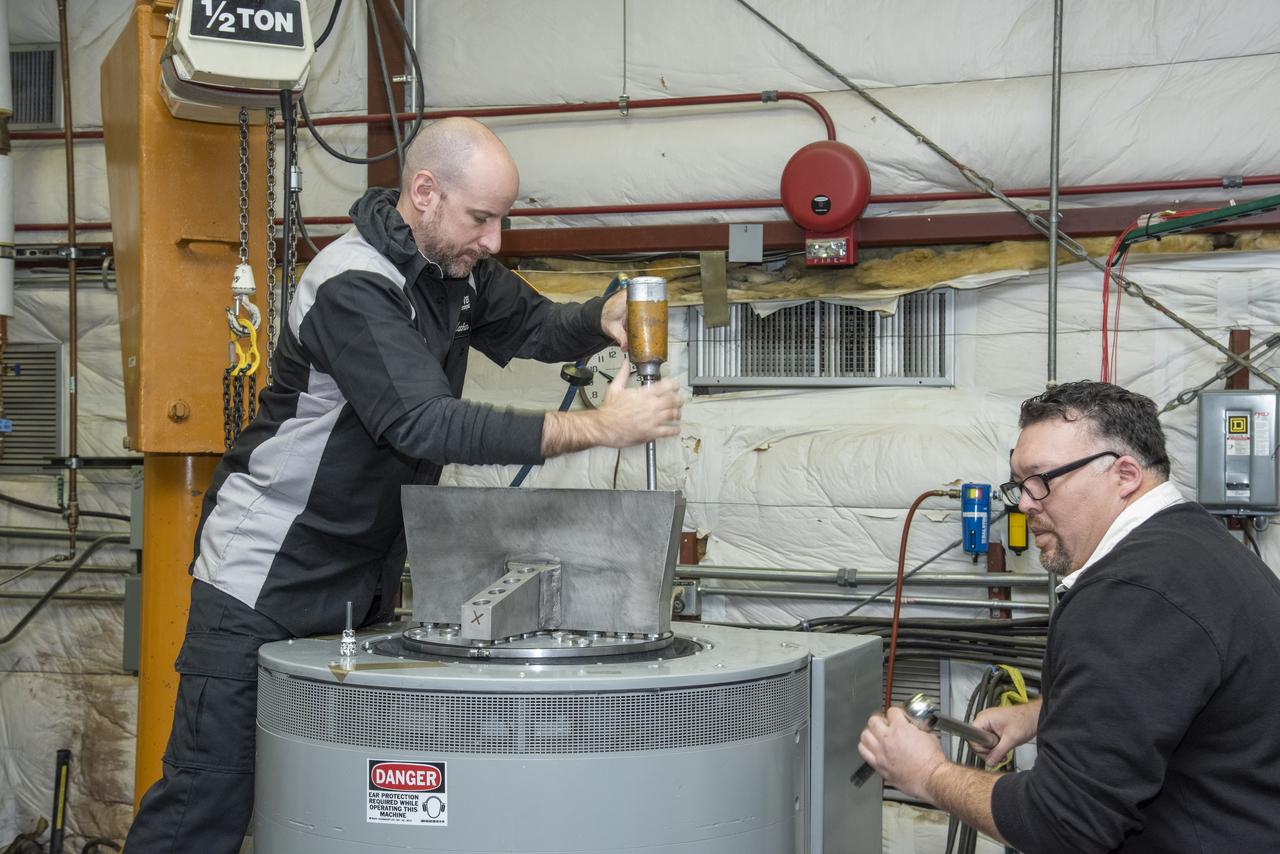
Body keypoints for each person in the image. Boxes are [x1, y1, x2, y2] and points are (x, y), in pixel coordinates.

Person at [124, 117, 681, 853]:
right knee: (207, 805)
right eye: (482, 219)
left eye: (501, 220)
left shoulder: (456, 273)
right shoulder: (352, 286)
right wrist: (597, 429)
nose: (494, 242)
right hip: (264, 583)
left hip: (363, 585)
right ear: (425, 193)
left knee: (335, 798)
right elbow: (423, 423)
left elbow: (537, 327)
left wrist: (600, 315)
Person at [858, 381, 1280, 852]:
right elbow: (1171, 693)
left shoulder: (1129, 594)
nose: (1024, 503)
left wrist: (927, 774)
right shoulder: (1194, 546)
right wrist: (1041, 714)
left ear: (1123, 474)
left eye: (1042, 480)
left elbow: (1063, 824)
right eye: (1018, 484)